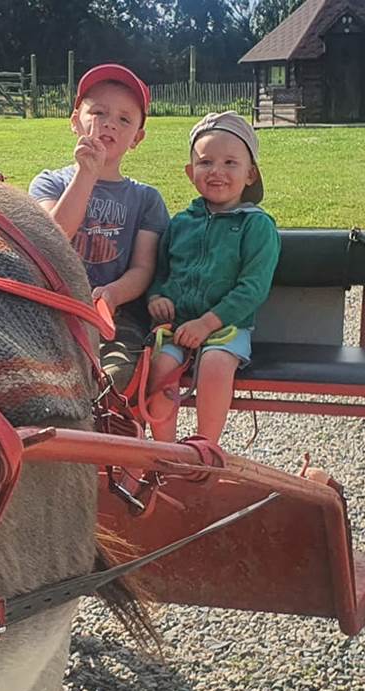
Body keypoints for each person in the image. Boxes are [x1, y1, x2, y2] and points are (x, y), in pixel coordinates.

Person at [28, 64, 170, 393]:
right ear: (75, 120)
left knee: (114, 379)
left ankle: (110, 438)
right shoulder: (50, 182)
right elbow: (53, 239)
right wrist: (86, 175)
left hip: (116, 315)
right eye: (99, 112)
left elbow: (143, 268)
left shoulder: (146, 199)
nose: (109, 123)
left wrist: (113, 294)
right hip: (55, 310)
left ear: (137, 137)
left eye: (124, 119)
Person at [142, 111, 278, 446]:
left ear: (250, 174)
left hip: (225, 328)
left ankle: (205, 447)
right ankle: (164, 450)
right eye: (205, 162)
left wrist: (207, 323)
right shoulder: (180, 223)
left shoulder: (256, 225)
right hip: (178, 328)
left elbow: (253, 288)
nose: (217, 171)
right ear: (191, 172)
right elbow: (161, 272)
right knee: (158, 366)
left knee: (216, 365)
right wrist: (156, 298)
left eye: (231, 162)